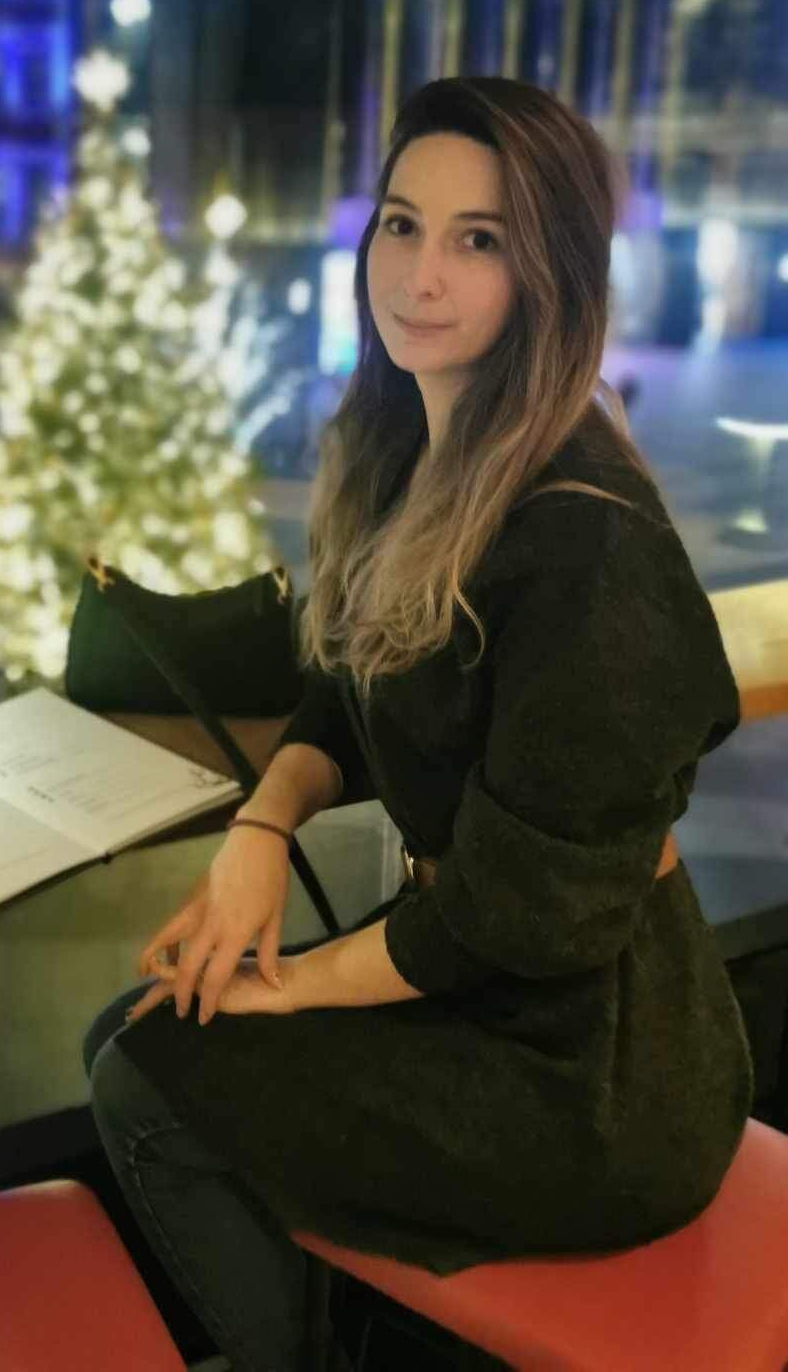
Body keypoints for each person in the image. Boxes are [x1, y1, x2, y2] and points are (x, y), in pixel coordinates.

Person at [82, 77, 753, 1372]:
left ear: (548, 275)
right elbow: (354, 683)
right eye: (402, 223)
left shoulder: (587, 545)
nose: (420, 274)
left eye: (478, 239)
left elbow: (517, 917)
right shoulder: (417, 455)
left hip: (599, 1075)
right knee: (139, 1036)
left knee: (144, 1077)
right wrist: (263, 829)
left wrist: (285, 988)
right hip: (484, 983)